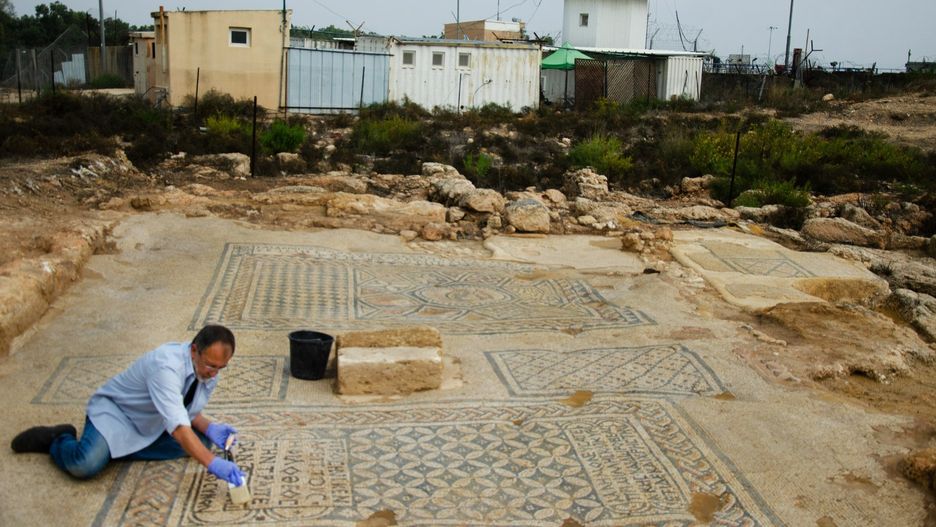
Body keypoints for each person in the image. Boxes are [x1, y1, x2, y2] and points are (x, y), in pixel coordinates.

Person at [10, 325, 245, 487]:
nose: (213, 373)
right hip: (117, 414)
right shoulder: (165, 367)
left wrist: (209, 428)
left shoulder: (208, 370)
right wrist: (212, 464)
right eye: (210, 365)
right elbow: (178, 424)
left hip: (152, 421)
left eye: (220, 368)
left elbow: (184, 408)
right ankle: (58, 439)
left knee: (201, 442)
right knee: (85, 464)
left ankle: (111, 451)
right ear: (194, 350)